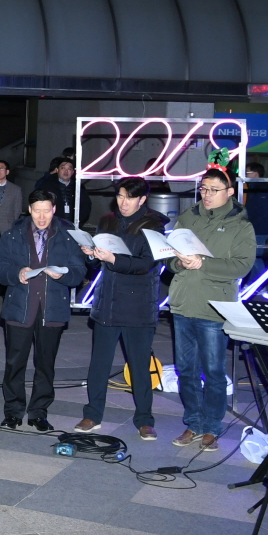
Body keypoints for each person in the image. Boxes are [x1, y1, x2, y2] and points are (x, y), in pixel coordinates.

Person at [168, 167, 256, 450]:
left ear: (230, 193)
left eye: (213, 190)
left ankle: (212, 427)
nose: (206, 194)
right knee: (186, 371)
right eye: (203, 189)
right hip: (183, 303)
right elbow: (169, 259)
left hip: (213, 308)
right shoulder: (187, 217)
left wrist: (204, 262)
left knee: (214, 372)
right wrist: (179, 263)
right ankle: (193, 423)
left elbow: (242, 265)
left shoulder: (241, 225)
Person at [75, 177, 167, 439]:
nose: (123, 202)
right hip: (108, 302)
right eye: (120, 196)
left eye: (129, 197)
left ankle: (144, 419)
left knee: (139, 365)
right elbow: (96, 265)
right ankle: (92, 414)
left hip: (138, 304)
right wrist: (90, 255)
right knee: (99, 363)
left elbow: (146, 264)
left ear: (142, 199)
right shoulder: (108, 221)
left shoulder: (154, 226)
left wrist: (114, 257)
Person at [0, 191, 88, 430]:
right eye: (37, 210)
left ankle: (39, 411)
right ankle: (13, 410)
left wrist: (64, 275)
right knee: (15, 362)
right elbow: (0, 268)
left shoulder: (68, 236)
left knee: (45, 363)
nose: (42, 216)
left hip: (52, 307)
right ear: (29, 209)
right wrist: (17, 273)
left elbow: (79, 271)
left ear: (54, 209)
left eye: (46, 210)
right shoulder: (13, 234)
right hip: (20, 306)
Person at [243, 162, 268, 281]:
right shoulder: (254, 187)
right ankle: (253, 284)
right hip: (255, 228)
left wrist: (248, 225)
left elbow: (261, 212)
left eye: (247, 172)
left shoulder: (262, 188)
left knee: (255, 257)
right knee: (253, 257)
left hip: (259, 229)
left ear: (255, 174)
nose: (245, 175)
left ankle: (261, 284)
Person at [33, 156, 77, 225]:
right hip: (52, 224)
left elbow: (85, 206)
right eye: (63, 168)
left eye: (69, 169)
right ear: (57, 170)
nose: (66, 171)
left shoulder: (78, 187)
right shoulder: (47, 185)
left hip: (73, 224)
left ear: (72, 172)